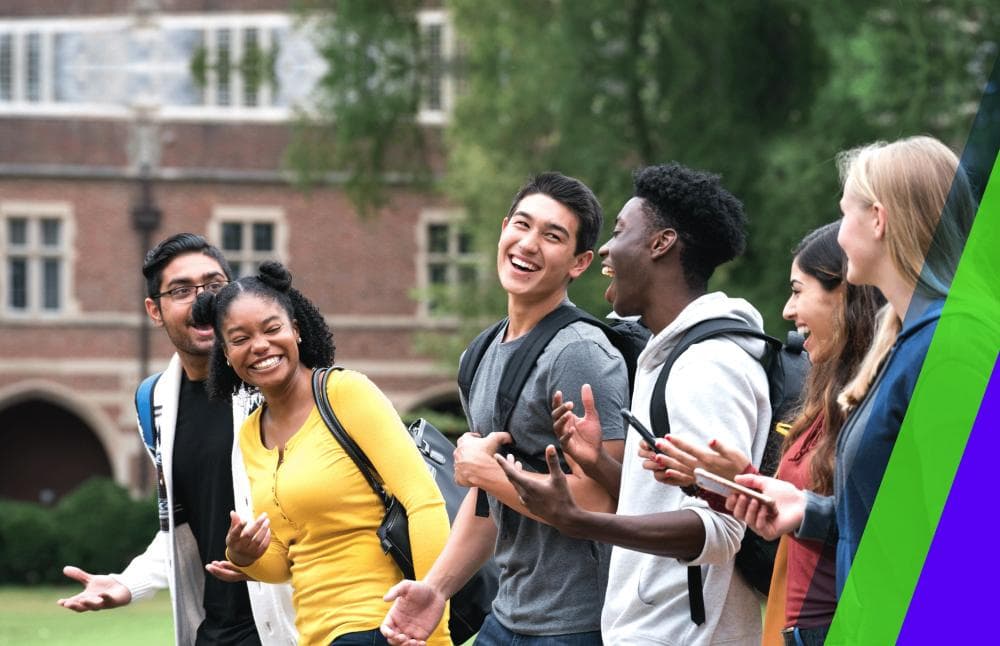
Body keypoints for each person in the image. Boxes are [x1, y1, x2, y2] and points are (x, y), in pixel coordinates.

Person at [496, 163, 772, 645]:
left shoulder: (706, 366)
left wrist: (579, 520)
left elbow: (723, 528)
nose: (605, 247)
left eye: (621, 231)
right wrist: (599, 463)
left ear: (661, 244)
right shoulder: (665, 355)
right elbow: (671, 502)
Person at [380, 172, 630, 645]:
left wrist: (487, 472)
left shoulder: (579, 353)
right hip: (507, 618)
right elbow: (486, 502)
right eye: (522, 225)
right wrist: (437, 589)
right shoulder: (480, 352)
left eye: (552, 236)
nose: (529, 244)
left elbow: (601, 502)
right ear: (503, 229)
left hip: (578, 626)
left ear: (579, 263)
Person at [726, 136, 977, 598]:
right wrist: (808, 510)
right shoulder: (906, 345)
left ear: (878, 220)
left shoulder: (952, 348)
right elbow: (895, 512)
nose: (839, 232)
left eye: (846, 214)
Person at [640, 222, 885, 645]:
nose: (788, 311)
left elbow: (873, 528)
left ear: (845, 294)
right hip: (792, 626)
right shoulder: (826, 400)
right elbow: (790, 513)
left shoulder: (879, 404)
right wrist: (722, 484)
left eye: (797, 290)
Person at [192, 261, 452, 646]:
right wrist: (244, 555)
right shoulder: (250, 433)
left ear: (295, 330)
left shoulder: (345, 393)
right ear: (226, 354)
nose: (260, 345)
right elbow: (285, 560)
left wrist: (433, 627)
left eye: (272, 328)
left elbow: (424, 503)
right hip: (315, 633)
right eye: (240, 338)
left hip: (381, 624)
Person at [57, 233, 296, 645]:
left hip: (295, 625)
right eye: (182, 290)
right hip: (214, 630)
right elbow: (183, 528)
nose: (202, 301)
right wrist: (129, 584)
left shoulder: (278, 383)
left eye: (214, 286)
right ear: (155, 309)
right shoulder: (154, 401)